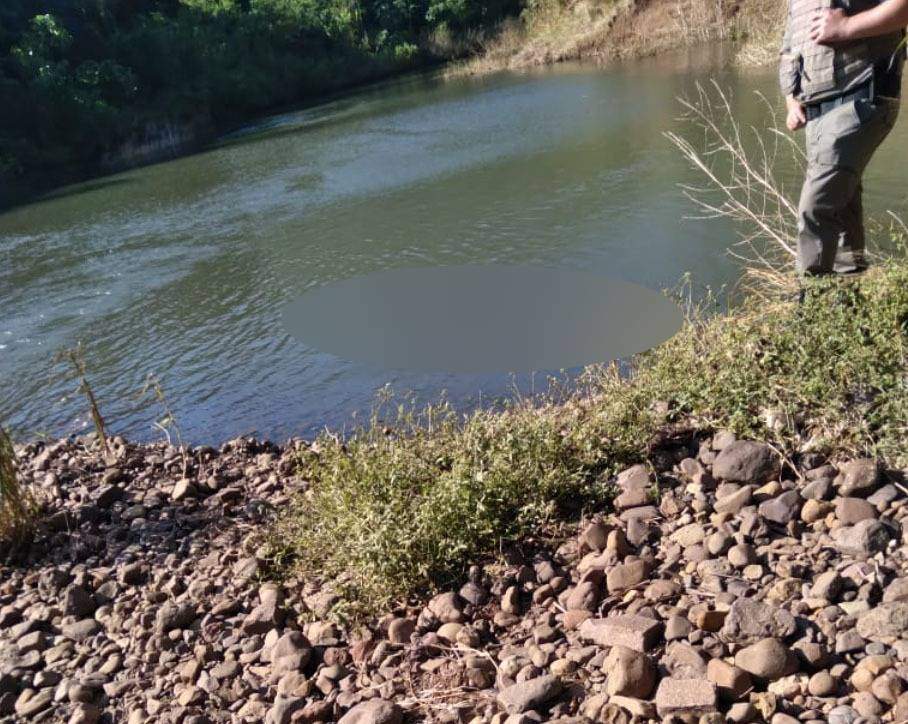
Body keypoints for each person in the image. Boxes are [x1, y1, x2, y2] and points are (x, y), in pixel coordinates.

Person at [781, 0, 906, 277]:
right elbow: (789, 48)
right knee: (840, 215)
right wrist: (792, 101)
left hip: (862, 98)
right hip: (816, 115)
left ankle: (810, 307)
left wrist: (847, 26)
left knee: (815, 210)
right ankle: (846, 305)